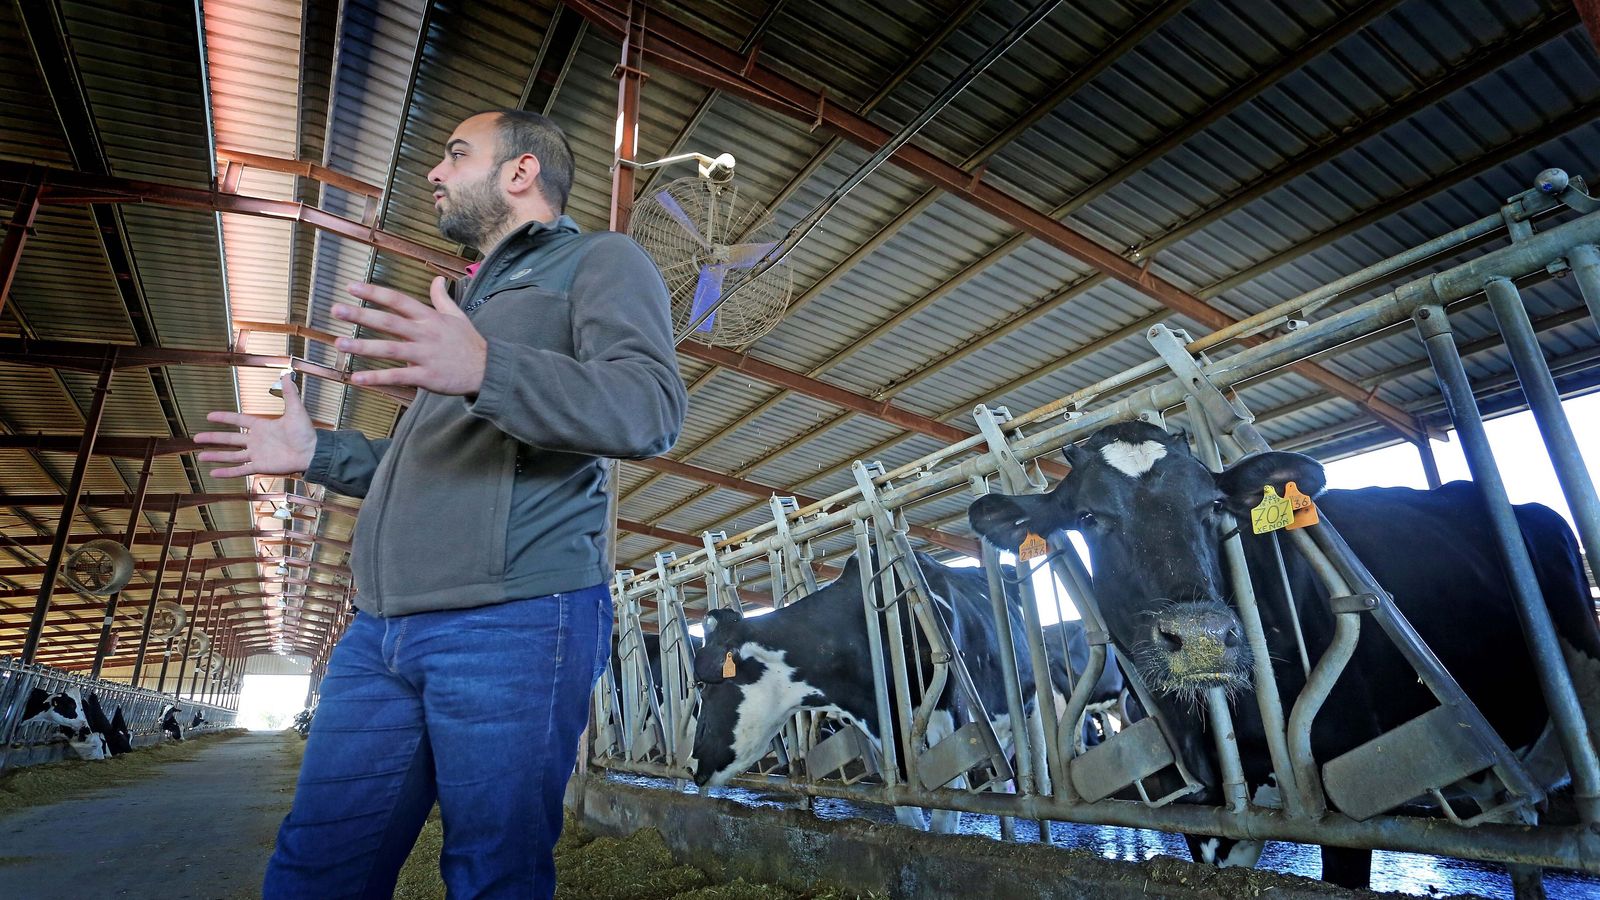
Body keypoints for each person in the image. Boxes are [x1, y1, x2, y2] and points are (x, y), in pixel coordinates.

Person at [195, 109, 686, 899]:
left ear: (521, 172)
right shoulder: (464, 302)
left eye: (456, 154)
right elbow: (433, 463)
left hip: (513, 616)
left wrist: (486, 368)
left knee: (492, 872)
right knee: (315, 865)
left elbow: (649, 407)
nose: (433, 172)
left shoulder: (597, 261)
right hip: (379, 632)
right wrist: (314, 454)